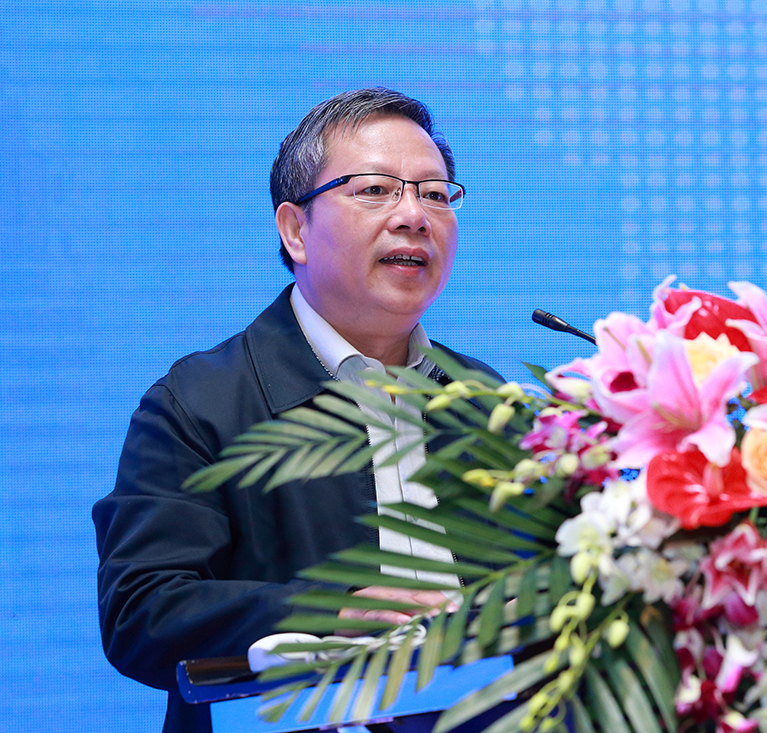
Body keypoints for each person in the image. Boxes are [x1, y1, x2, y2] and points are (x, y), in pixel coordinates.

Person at [93, 88, 503, 733]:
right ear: (295, 230)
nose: (414, 215)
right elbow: (142, 612)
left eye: (435, 194)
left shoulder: (485, 400)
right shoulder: (198, 403)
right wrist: (330, 611)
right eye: (375, 190)